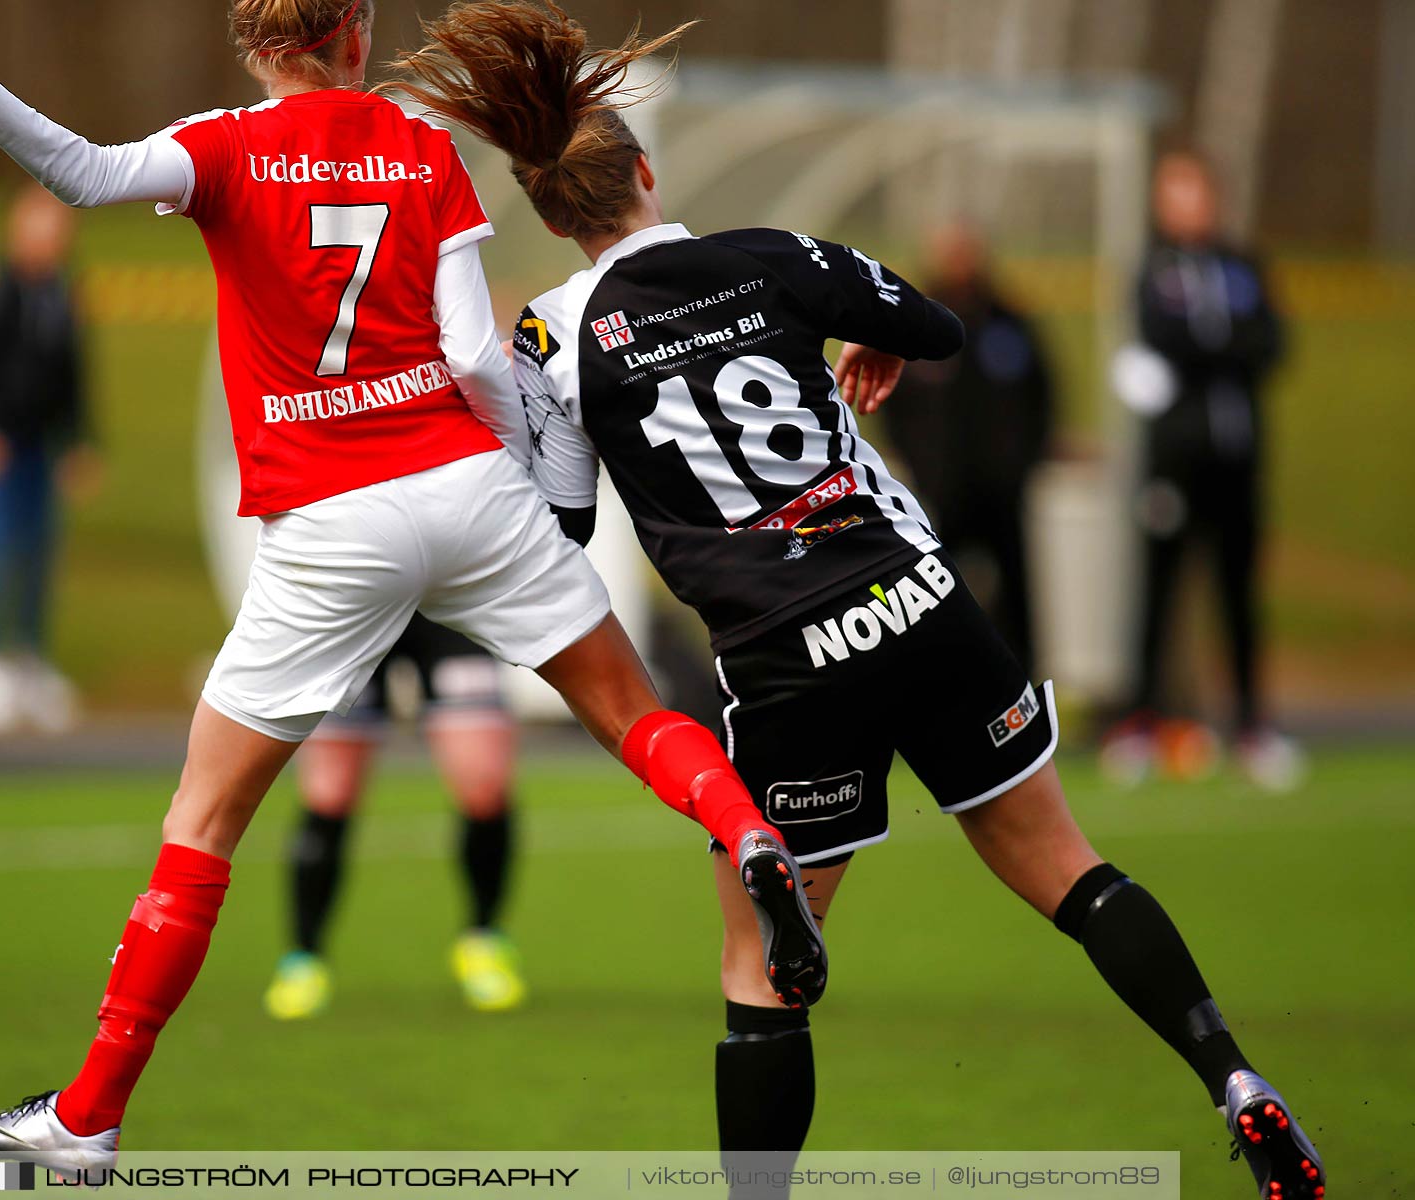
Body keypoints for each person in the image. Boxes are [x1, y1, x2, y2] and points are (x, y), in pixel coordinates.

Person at [390, 6, 1325, 1197]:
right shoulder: (770, 253)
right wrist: (872, 348)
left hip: (784, 656)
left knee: (762, 972)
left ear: (554, 213)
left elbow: (566, 520)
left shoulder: (551, 338)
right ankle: (1232, 1077)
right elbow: (930, 325)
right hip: (916, 598)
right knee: (1072, 871)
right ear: (648, 174)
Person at [0, 4, 823, 1177]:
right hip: (466, 485)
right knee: (636, 716)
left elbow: (81, 176)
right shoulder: (421, 146)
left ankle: (88, 1117)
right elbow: (481, 358)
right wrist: (534, 494)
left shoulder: (227, 147)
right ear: (359, 31)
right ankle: (750, 831)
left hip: (331, 523)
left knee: (205, 819)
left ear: (255, 45)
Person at [1103, 150, 1300, 792]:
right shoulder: (1153, 270)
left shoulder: (1242, 266)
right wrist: (1222, 346)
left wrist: (1219, 346)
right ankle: (1140, 722)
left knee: (1239, 592)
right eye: (1175, 193)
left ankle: (1250, 726)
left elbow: (1271, 342)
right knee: (1158, 589)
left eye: (1195, 192)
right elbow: (1163, 337)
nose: (1188, 205)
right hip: (1174, 461)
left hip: (1238, 457)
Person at [266, 613, 526, 1019]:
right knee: (329, 794)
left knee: (485, 786)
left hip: (447, 597)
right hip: (359, 601)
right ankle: (304, 959)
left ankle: (483, 940)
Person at [0, 185, 92, 737]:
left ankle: (29, 660)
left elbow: (75, 374)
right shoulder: (1, 290)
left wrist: (78, 440)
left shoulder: (63, 293)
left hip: (41, 449)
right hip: (0, 449)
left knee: (38, 554)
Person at [879, 220, 1052, 673]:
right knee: (934, 592)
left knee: (1016, 596)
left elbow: (1041, 395)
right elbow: (892, 406)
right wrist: (921, 467)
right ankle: (937, 682)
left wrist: (1023, 462)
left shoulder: (1008, 321)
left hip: (1002, 486)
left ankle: (1021, 682)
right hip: (940, 490)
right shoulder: (913, 321)